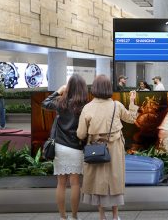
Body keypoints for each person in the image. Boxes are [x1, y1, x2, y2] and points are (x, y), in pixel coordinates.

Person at [77, 75, 139, 220]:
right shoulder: (116, 105)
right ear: (108, 88)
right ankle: (115, 216)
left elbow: (80, 134)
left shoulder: (87, 107)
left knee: (98, 180)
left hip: (95, 149)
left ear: (94, 88)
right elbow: (131, 118)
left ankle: (101, 216)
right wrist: (131, 101)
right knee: (114, 179)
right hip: (115, 148)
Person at [42, 74, 89, 220]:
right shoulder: (84, 105)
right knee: (75, 183)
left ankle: (63, 217)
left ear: (69, 87)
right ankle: (74, 217)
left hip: (60, 147)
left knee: (61, 184)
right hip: (76, 148)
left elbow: (45, 103)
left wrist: (59, 90)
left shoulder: (61, 102)